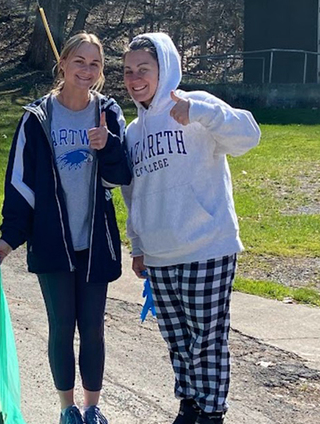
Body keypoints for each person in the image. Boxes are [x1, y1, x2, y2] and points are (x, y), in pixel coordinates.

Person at [120, 33, 261, 424]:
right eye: (129, 71)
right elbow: (132, 193)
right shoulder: (133, 131)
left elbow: (249, 136)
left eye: (143, 69)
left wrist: (202, 112)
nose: (135, 79)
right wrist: (137, 245)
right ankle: (191, 405)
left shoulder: (194, 103)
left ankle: (212, 412)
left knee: (207, 339)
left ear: (163, 68)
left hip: (207, 246)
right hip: (160, 254)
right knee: (179, 341)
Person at [0, 32, 132, 424]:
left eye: (95, 64)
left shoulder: (108, 112)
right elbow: (20, 182)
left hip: (95, 243)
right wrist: (10, 235)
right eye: (80, 62)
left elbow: (122, 175)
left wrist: (108, 146)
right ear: (63, 64)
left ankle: (92, 408)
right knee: (61, 327)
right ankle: (66, 408)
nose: (86, 71)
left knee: (92, 329)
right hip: (53, 242)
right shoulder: (38, 117)